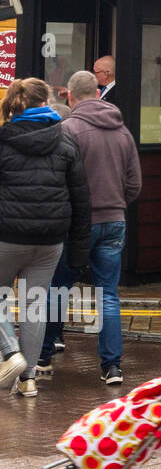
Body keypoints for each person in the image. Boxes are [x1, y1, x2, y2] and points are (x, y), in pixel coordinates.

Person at [36, 70, 140, 386]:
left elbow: (55, 182)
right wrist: (116, 203)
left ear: (69, 95)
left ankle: (43, 356)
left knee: (58, 287)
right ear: (98, 93)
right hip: (114, 222)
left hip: (76, 224)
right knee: (107, 293)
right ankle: (112, 367)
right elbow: (134, 184)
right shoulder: (123, 132)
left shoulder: (66, 130)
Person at [0, 78, 91, 399]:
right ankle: (28, 381)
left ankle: (10, 354)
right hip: (50, 240)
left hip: (7, 236)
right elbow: (82, 201)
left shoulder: (3, 139)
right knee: (34, 308)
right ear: (46, 103)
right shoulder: (66, 141)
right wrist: (79, 253)